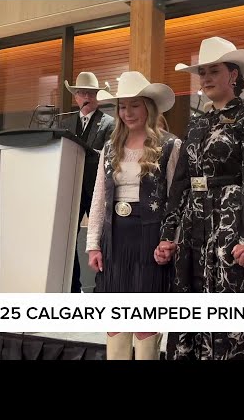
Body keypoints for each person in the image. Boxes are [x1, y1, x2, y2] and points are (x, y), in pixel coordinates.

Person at [154, 36, 244, 360]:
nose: (205, 78)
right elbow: (180, 183)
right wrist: (168, 234)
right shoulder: (197, 122)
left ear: (233, 74)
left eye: (213, 71)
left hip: (232, 224)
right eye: (202, 72)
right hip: (195, 223)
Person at [86, 71, 180, 360]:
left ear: (148, 108)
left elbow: (177, 200)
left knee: (145, 321)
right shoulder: (109, 149)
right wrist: (93, 244)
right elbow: (99, 197)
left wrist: (171, 240)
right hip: (115, 237)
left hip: (151, 239)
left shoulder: (169, 146)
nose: (127, 113)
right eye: (122, 106)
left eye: (134, 105)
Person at [61, 72, 115, 292]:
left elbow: (111, 156)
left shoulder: (109, 123)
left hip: (95, 188)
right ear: (75, 97)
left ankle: (102, 287)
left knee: (102, 238)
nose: (87, 96)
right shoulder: (65, 123)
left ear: (98, 97)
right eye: (82, 92)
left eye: (91, 93)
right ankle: (71, 287)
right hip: (70, 188)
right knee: (67, 239)